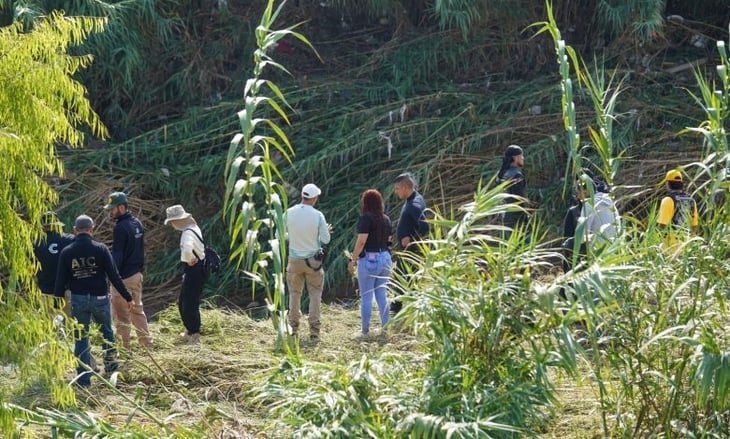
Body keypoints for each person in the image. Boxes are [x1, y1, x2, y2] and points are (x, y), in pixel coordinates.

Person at [54, 215, 133, 387]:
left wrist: (57, 301)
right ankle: (112, 371)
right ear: (92, 229)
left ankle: (83, 380)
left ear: (75, 230)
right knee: (107, 333)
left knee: (81, 338)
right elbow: (114, 276)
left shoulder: (67, 252)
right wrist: (127, 296)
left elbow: (60, 280)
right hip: (100, 298)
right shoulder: (101, 249)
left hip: (79, 300)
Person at [104, 192, 152, 350]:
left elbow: (118, 254)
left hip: (123, 278)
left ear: (122, 207)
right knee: (137, 311)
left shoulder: (120, 228)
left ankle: (125, 349)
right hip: (137, 275)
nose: (111, 212)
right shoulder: (137, 223)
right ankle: (147, 345)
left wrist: (112, 275)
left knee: (121, 316)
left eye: (113, 209)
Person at [285, 183, 331, 342]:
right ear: (314, 198)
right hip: (313, 263)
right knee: (315, 295)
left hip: (294, 260)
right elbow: (326, 239)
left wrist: (294, 236)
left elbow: (280, 235)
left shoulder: (288, 213)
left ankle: (293, 329)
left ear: (303, 196)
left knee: (294, 295)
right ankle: (314, 332)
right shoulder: (318, 215)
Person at [348, 189, 392, 337]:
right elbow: (389, 241)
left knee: (366, 296)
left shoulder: (366, 219)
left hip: (370, 258)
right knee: (382, 295)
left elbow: (361, 242)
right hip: (385, 257)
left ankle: (365, 331)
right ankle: (386, 328)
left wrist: (352, 260)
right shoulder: (386, 219)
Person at [164, 204, 206, 344]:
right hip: (197, 268)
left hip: (194, 268)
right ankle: (190, 330)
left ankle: (194, 334)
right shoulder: (193, 228)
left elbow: (188, 248)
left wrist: (189, 260)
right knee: (184, 301)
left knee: (189, 303)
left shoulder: (188, 232)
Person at [390, 172, 428, 314]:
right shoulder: (414, 199)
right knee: (409, 279)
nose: (396, 191)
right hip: (410, 250)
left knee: (402, 277)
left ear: (405, 187)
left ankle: (395, 309)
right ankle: (410, 307)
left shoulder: (414, 204)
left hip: (411, 251)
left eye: (397, 188)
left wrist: (412, 239)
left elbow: (425, 225)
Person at [33, 211, 75, 313]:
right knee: (69, 324)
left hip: (46, 291)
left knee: (48, 324)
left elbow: (32, 268)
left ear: (42, 227)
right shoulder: (70, 240)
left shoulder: (35, 243)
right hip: (67, 290)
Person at [657, 169, 699, 244]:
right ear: (681, 184)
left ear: (667, 183)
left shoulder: (668, 200)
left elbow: (662, 225)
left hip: (669, 245)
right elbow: (694, 226)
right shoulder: (691, 200)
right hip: (685, 245)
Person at [497, 144, 528, 240]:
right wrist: (525, 218)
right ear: (515, 158)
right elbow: (519, 200)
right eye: (521, 156)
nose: (523, 158)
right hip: (517, 220)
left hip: (505, 218)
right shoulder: (516, 175)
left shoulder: (502, 175)